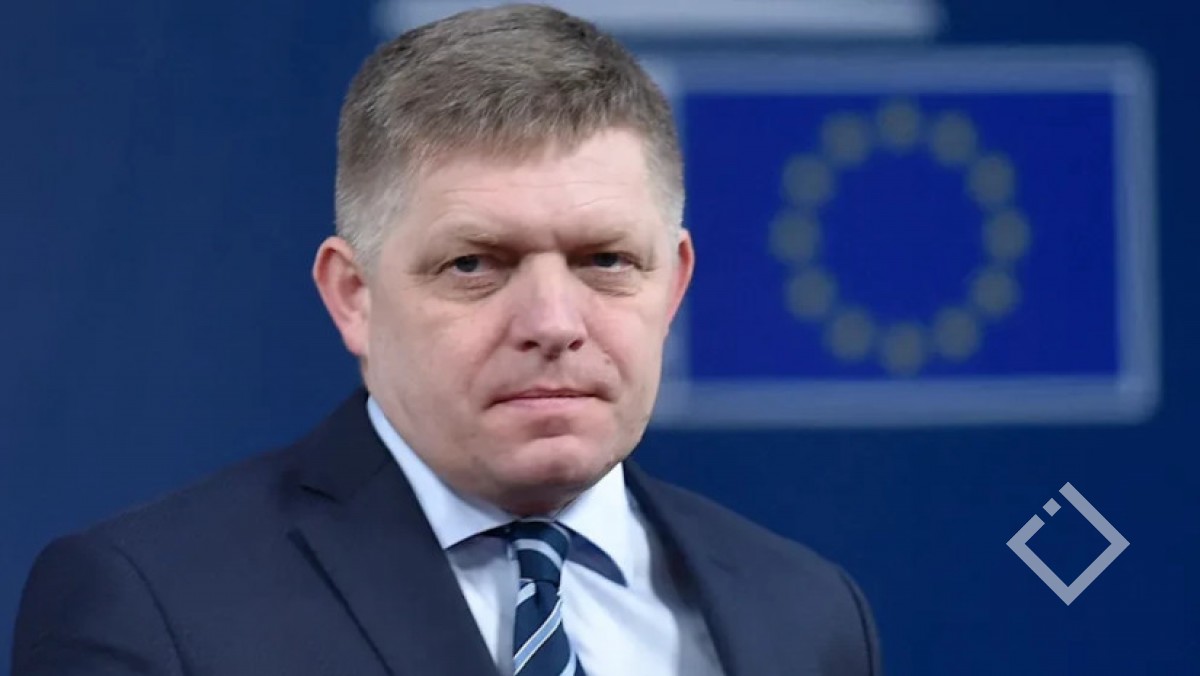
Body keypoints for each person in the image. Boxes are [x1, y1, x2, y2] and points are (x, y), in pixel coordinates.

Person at [11, 5, 881, 675]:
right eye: (475, 265)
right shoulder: (151, 606)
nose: (553, 323)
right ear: (353, 296)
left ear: (674, 284)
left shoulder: (807, 613)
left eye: (606, 261)